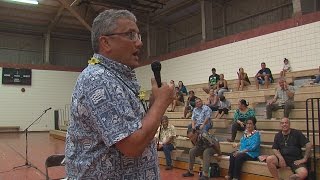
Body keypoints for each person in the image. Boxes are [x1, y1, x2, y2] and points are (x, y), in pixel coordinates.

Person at [65, 9, 174, 179]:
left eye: (139, 36)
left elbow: (136, 129)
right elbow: (132, 146)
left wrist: (153, 104)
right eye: (131, 35)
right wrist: (160, 104)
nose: (139, 43)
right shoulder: (99, 79)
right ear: (106, 42)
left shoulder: (115, 77)